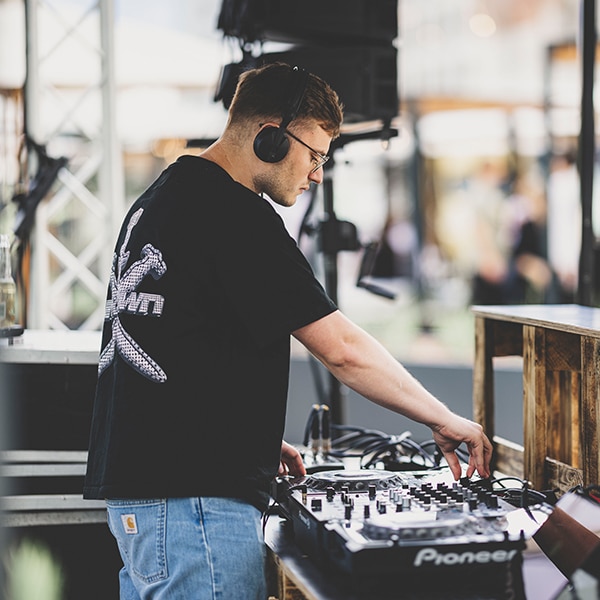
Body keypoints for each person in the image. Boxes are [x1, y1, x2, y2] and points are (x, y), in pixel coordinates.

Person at [83, 62, 493, 600]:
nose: (317, 174)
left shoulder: (162, 198)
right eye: (315, 155)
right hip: (192, 506)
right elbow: (342, 350)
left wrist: (244, 436)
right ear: (270, 136)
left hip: (149, 498)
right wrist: (442, 419)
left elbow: (171, 340)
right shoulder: (234, 215)